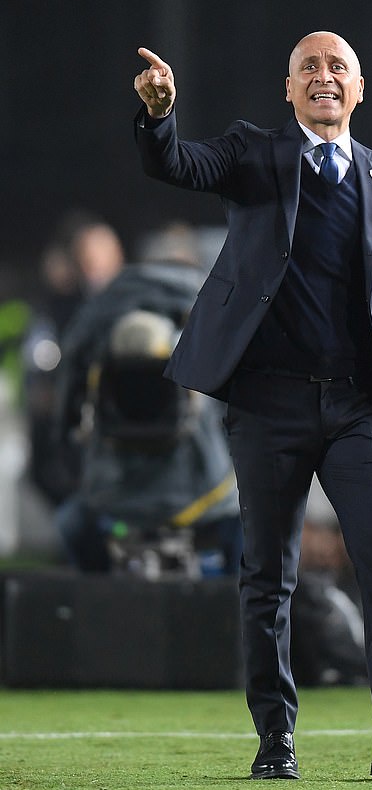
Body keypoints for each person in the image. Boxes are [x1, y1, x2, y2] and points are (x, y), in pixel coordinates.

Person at [133, 31, 372, 780]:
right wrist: (159, 117)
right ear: (288, 90)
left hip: (358, 407)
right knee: (268, 573)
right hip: (268, 402)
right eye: (307, 67)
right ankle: (275, 735)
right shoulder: (253, 153)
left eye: (336, 66)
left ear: (359, 87)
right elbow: (177, 163)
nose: (322, 76)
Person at [53, 225, 243, 576]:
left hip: (114, 495)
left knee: (72, 524)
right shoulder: (218, 309)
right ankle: (238, 619)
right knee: (252, 532)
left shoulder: (99, 312)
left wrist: (75, 469)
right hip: (204, 495)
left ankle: (95, 611)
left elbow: (65, 411)